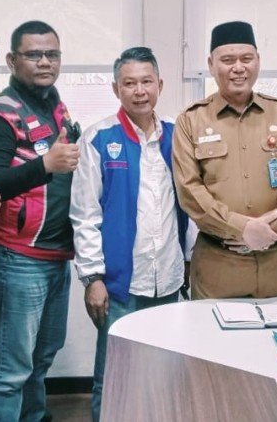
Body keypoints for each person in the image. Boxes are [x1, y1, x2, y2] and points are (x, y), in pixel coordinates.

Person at [69, 47, 189, 421]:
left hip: (167, 278)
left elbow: (191, 206)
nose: (139, 91)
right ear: (115, 88)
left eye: (146, 82)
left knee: (163, 373)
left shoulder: (177, 135)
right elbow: (85, 215)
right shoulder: (99, 138)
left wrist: (191, 261)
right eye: (130, 83)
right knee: (114, 376)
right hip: (120, 282)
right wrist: (93, 278)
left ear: (160, 85)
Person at [0, 20, 80, 421]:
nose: (44, 62)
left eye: (52, 54)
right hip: (18, 260)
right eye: (34, 54)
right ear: (12, 60)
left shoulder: (55, 105)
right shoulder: (1, 114)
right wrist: (45, 164)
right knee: (9, 372)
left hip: (56, 257)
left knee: (41, 359)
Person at [172, 21, 277, 299]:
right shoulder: (191, 121)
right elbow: (190, 190)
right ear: (211, 65)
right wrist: (242, 229)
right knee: (212, 328)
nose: (238, 68)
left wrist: (271, 228)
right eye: (228, 60)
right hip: (219, 266)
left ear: (258, 60)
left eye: (246, 59)